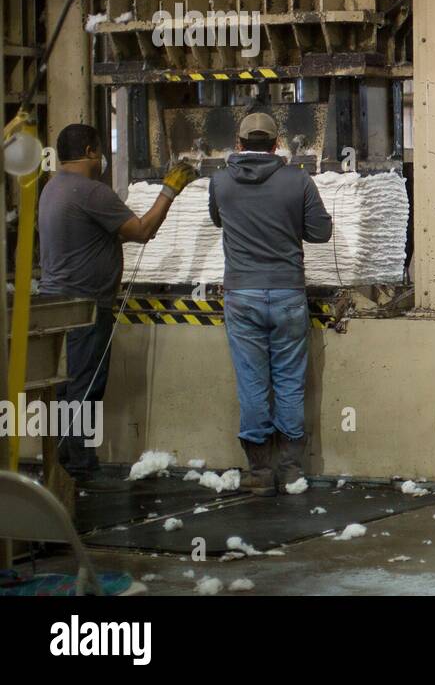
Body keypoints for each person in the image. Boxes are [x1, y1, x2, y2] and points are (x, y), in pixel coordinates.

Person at [38, 123, 196, 483]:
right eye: (100, 151)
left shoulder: (53, 188)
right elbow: (142, 231)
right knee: (85, 386)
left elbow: (86, 238)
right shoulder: (92, 192)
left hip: (57, 302)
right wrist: (169, 192)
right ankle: (79, 466)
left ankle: (63, 458)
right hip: (87, 304)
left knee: (66, 385)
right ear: (92, 151)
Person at [209, 112, 333, 495]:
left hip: (241, 295)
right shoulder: (297, 180)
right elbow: (320, 233)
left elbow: (218, 220)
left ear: (240, 143)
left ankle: (260, 472)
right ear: (277, 144)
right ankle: (292, 469)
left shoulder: (220, 181)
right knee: (289, 381)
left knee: (252, 382)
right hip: (287, 295)